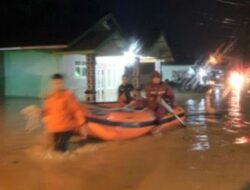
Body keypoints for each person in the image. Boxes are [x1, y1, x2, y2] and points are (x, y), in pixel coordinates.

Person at [42, 74, 86, 152]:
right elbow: (46, 112)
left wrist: (82, 125)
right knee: (55, 148)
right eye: (55, 83)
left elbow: (76, 110)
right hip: (54, 128)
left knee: (59, 149)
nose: (57, 86)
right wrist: (37, 112)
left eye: (59, 83)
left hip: (67, 128)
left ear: (63, 83)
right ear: (52, 84)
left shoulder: (68, 96)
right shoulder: (49, 97)